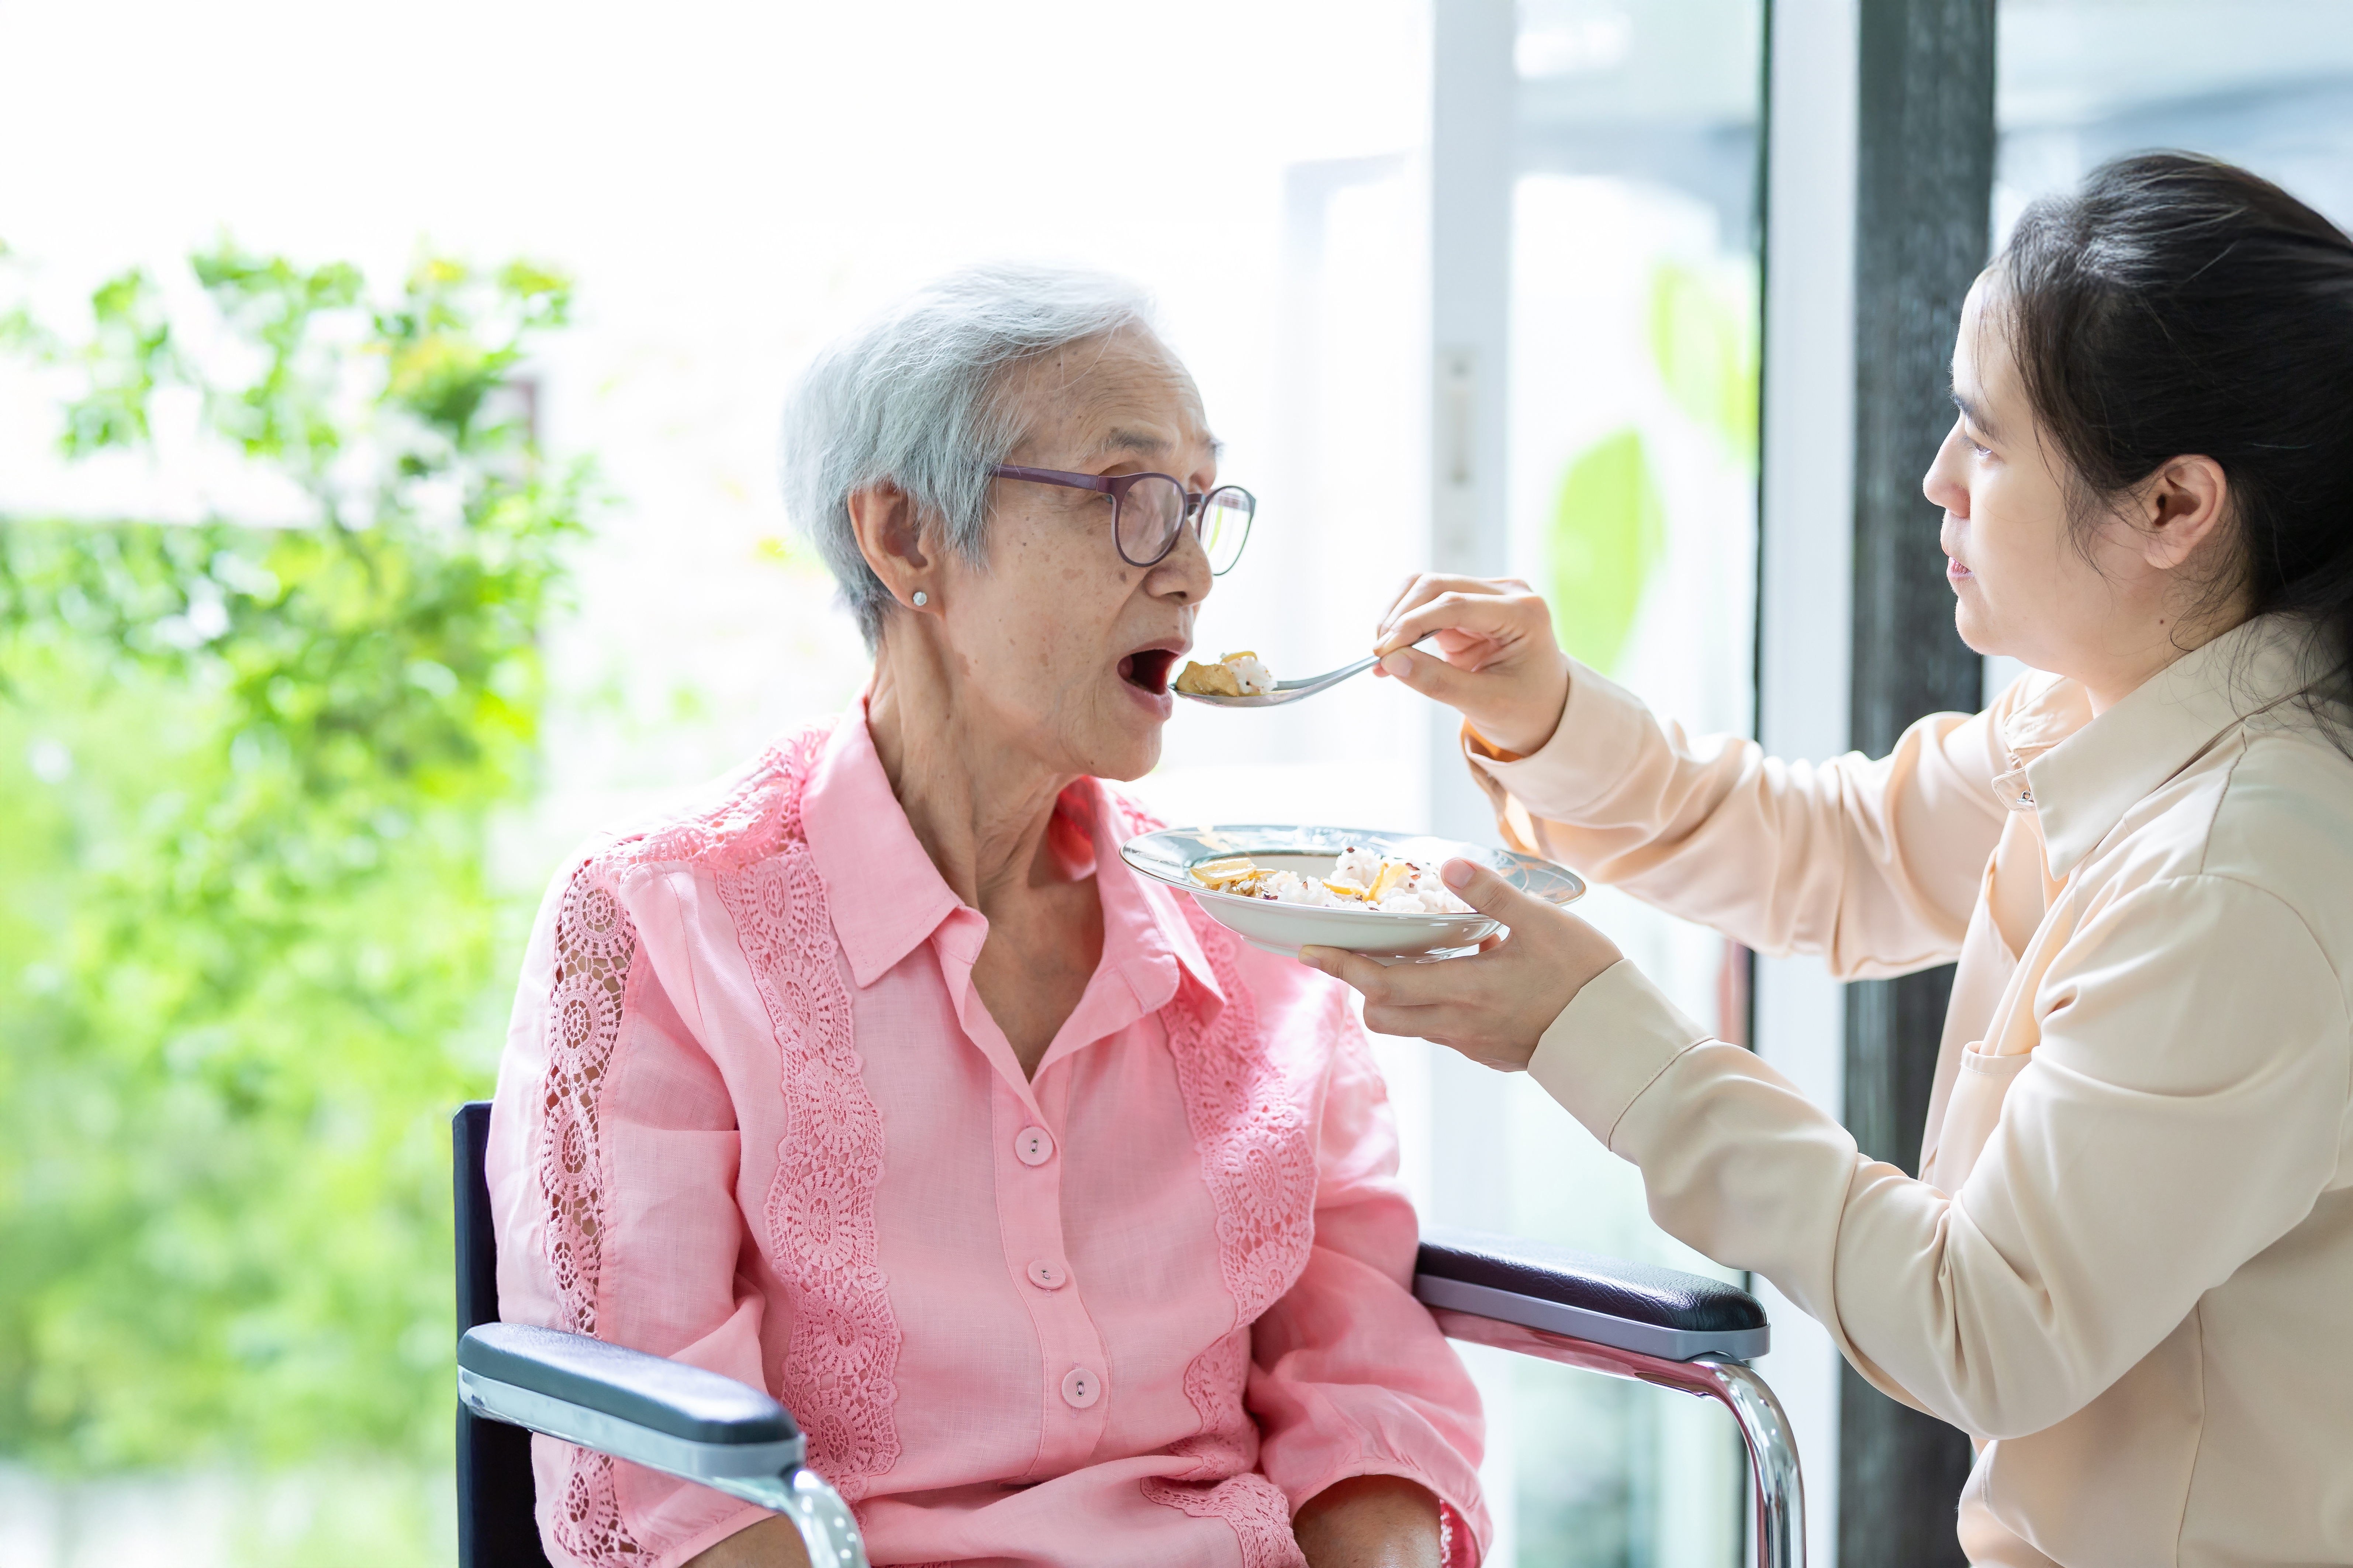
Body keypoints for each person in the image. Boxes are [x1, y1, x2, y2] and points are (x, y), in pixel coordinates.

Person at [1304, 153, 2353, 1566]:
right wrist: (1544, 715)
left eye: (1985, 440)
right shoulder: (2119, 709)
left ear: (2174, 506)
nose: (1936, 479)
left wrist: (1591, 1030)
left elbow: (1984, 1322)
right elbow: (1844, 852)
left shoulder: (2243, 876)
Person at [486, 264, 1488, 1568]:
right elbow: (671, 1489)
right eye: (1130, 497)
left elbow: (1365, 1396)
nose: (1188, 570)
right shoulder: (663, 924)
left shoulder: (1254, 936)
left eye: (1200, 503)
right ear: (905, 538)